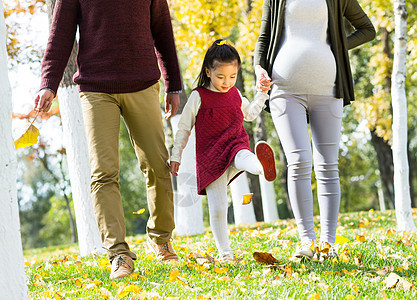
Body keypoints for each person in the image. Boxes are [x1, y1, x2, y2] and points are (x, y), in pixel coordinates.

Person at [34, 0, 182, 279]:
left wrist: (173, 83)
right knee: (103, 172)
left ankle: (161, 239)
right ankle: (119, 254)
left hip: (143, 83)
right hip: (96, 88)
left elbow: (163, 29)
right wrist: (48, 84)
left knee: (157, 165)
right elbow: (60, 34)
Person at [254, 0, 376, 259]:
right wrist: (258, 68)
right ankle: (307, 242)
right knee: (298, 161)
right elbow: (265, 35)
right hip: (284, 90)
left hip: (328, 89)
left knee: (328, 165)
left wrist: (337, 47)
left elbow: (367, 29)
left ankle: (328, 244)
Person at [170, 39, 276, 262]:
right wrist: (176, 155)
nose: (227, 82)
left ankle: (261, 166)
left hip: (235, 144)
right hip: (210, 158)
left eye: (232, 77)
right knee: (218, 209)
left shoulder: (236, 94)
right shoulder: (198, 96)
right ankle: (225, 252)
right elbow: (184, 127)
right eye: (220, 77)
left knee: (243, 156)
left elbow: (249, 114)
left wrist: (262, 94)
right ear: (208, 71)